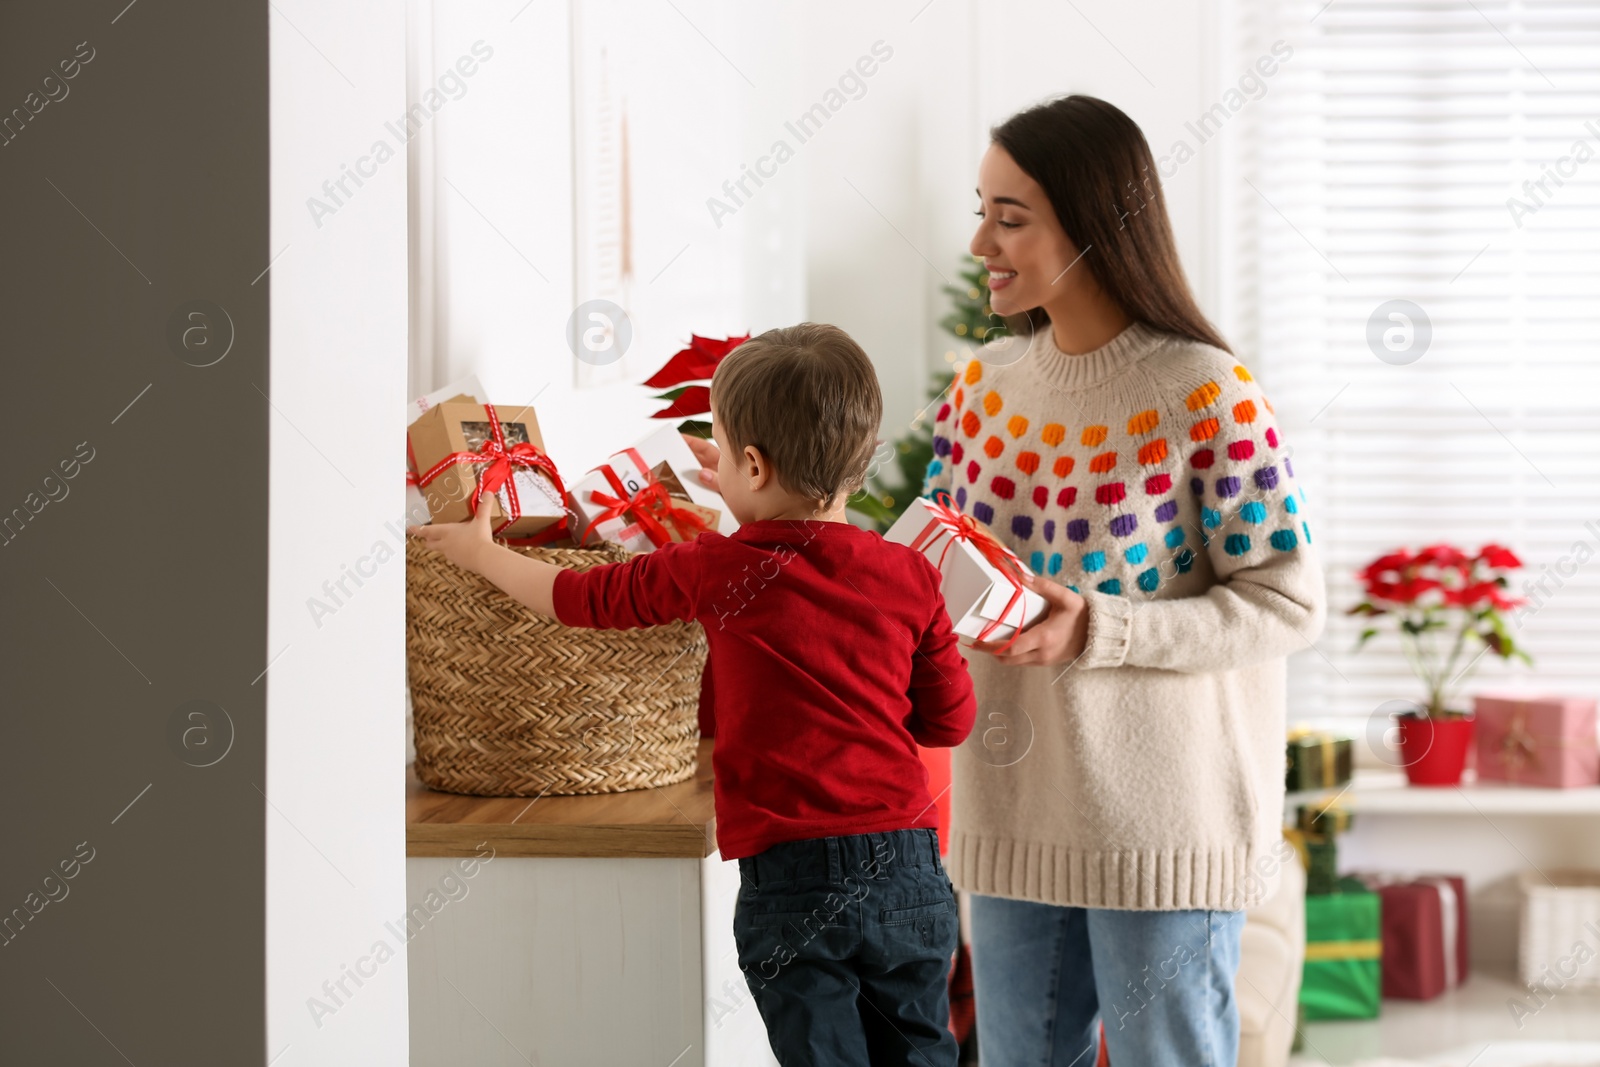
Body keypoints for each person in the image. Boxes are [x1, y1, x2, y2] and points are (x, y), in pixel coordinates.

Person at [411, 322, 977, 1067]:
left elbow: (577, 596)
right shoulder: (909, 574)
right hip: (907, 869)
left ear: (750, 462)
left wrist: (483, 555)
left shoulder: (715, 568)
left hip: (794, 879)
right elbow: (950, 718)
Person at [918, 94, 1330, 1066]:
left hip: (1164, 827)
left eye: (1009, 216)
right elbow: (931, 570)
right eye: (982, 208)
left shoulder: (1205, 391)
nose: (981, 239)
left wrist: (1099, 628)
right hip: (1014, 811)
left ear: (1094, 224)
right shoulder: (979, 389)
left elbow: (1287, 600)